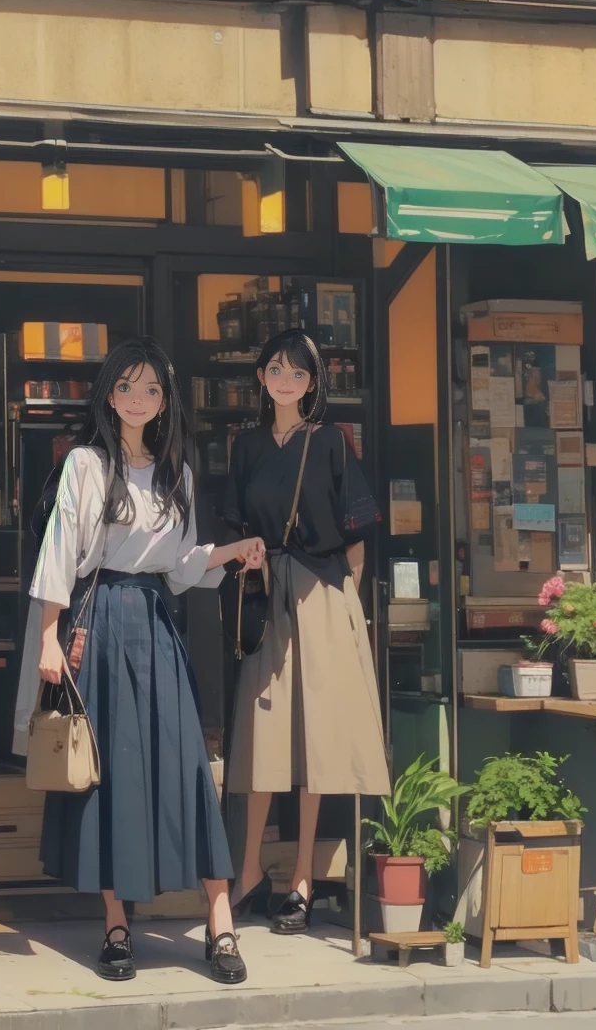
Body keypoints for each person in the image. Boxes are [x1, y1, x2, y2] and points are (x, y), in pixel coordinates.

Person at [13, 337, 266, 984]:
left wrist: (232, 551)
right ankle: (117, 924)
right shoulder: (85, 466)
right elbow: (59, 554)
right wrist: (46, 637)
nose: (137, 399)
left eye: (150, 388)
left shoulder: (177, 470)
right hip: (97, 625)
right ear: (108, 393)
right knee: (109, 776)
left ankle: (220, 923)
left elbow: (178, 566)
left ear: (165, 400)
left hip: (155, 626)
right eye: (126, 386)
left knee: (184, 767)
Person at [224, 328, 390, 933]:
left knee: (317, 740)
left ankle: (301, 879)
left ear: (313, 383)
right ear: (261, 378)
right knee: (266, 730)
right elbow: (231, 519)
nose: (285, 381)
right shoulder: (244, 446)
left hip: (322, 592)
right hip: (268, 592)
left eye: (297, 373)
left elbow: (357, 537)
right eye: (275, 370)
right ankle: (248, 871)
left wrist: (349, 612)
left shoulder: (330, 443)